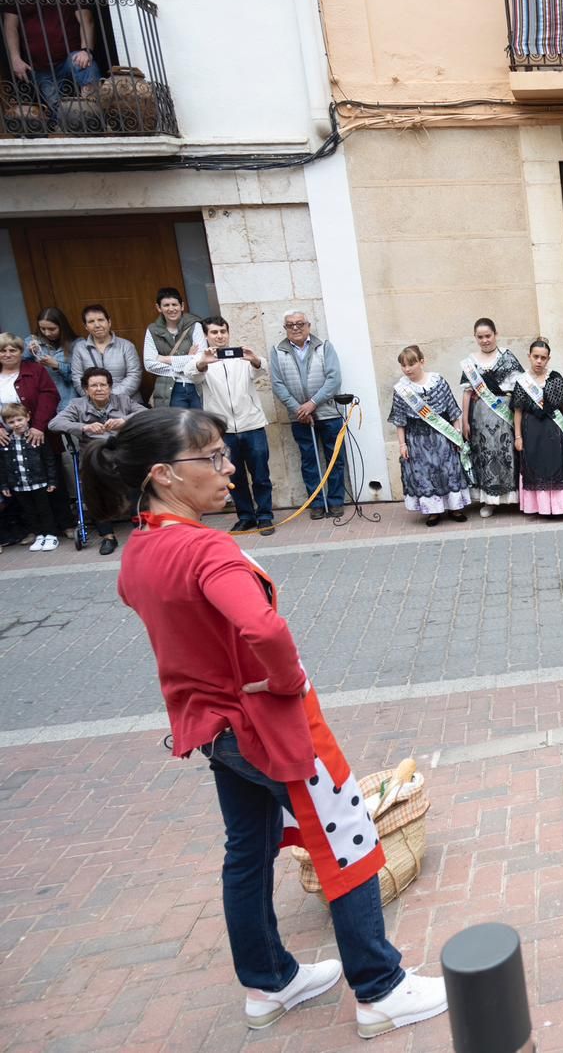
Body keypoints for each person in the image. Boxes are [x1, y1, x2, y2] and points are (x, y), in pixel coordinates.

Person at [82, 407, 447, 1038]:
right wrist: (286, 680)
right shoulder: (204, 546)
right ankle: (379, 988)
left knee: (247, 850)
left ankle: (269, 981)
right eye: (215, 457)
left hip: (211, 729)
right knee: (346, 835)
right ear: (166, 475)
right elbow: (261, 625)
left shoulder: (141, 547)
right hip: (267, 725)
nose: (230, 469)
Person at [189, 317, 274, 535]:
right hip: (223, 431)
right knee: (233, 477)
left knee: (260, 474)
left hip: (252, 425)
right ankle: (245, 517)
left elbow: (262, 367)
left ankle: (265, 516)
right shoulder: (202, 360)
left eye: (223, 332)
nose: (219, 336)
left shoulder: (242, 357)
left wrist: (253, 359)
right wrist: (202, 362)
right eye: (214, 332)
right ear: (207, 335)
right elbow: (192, 375)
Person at [49, 367, 145, 554]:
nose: (99, 389)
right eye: (94, 385)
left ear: (110, 387)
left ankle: (139, 528)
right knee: (92, 486)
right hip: (94, 457)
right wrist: (84, 427)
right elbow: (54, 424)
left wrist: (125, 420)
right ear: (86, 389)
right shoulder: (77, 405)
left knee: (136, 476)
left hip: (121, 452)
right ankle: (107, 536)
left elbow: (145, 413)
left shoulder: (123, 400)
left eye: (103, 385)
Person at [268, 310, 345, 520]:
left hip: (329, 413)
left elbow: (334, 379)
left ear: (308, 325)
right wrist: (298, 409)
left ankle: (336, 501)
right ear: (285, 328)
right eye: (290, 324)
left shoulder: (324, 347)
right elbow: (277, 384)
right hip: (298, 416)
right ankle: (317, 502)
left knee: (335, 459)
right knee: (309, 461)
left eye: (300, 323)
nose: (296, 328)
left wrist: (312, 404)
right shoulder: (277, 351)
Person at [390, 346, 470, 526]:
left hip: (442, 436)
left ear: (421, 362)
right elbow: (399, 421)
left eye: (411, 364)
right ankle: (433, 512)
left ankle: (455, 507)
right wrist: (402, 445)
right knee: (425, 475)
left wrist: (457, 436)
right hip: (417, 438)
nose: (407, 369)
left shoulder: (438, 382)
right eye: (403, 365)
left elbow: (452, 410)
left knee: (448, 470)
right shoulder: (402, 390)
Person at [1, 333, 61, 547]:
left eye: (12, 350)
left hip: (37, 431)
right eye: (3, 350)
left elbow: (50, 395)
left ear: (20, 351)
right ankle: (33, 531)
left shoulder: (34, 370)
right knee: (17, 485)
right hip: (6, 437)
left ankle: (59, 527)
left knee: (48, 481)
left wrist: (37, 425)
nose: (8, 354)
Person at [459, 318, 523, 519]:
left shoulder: (507, 358)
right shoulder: (470, 362)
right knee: (485, 453)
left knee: (507, 452)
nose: (485, 340)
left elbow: (519, 388)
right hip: (480, 415)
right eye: (480, 337)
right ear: (475, 338)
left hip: (504, 412)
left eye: (488, 336)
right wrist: (465, 422)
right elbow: (467, 393)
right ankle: (489, 500)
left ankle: (513, 498)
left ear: (496, 334)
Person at [511, 338, 563, 517]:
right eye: (536, 357)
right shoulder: (522, 381)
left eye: (543, 357)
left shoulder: (555, 378)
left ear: (548, 359)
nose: (539, 361)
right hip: (531, 430)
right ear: (529, 357)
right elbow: (517, 410)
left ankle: (560, 507)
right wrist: (518, 436)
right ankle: (539, 507)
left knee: (557, 464)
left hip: (554, 429)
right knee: (536, 465)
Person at [1, 0, 101, 117]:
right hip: (39, 66)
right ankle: (73, 128)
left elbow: (86, 19)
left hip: (70, 58)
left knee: (87, 67)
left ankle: (94, 115)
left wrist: (86, 50)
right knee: (59, 112)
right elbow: (10, 27)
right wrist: (15, 59)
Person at [0, 402, 60, 552]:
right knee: (29, 511)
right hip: (19, 484)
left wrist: (52, 480)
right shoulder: (6, 441)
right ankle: (39, 534)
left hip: (39, 482)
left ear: (27, 417)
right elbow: (2, 465)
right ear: (5, 423)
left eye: (19, 419)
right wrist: (4, 485)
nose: (16, 424)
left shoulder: (38, 437)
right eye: (11, 422)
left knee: (44, 509)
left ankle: (51, 534)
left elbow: (49, 460)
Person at [143, 287, 205, 410]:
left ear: (182, 306)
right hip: (169, 389)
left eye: (174, 304)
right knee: (176, 427)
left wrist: (164, 359)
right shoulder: (152, 330)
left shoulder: (195, 326)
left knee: (201, 426)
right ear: (158, 308)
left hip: (196, 386)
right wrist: (187, 360)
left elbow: (200, 358)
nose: (171, 309)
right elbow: (149, 364)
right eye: (166, 305)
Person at [70, 304, 143, 400]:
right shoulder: (79, 348)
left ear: (109, 322)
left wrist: (110, 396)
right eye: (91, 322)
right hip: (93, 403)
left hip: (127, 401)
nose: (97, 325)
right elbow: (77, 378)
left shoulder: (126, 346)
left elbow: (134, 375)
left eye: (101, 320)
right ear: (86, 326)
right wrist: (96, 397)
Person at [27, 307, 78, 403]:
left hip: (68, 399)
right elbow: (19, 369)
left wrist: (57, 365)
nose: (47, 333)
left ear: (62, 327)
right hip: (43, 400)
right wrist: (29, 353)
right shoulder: (32, 341)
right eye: (42, 329)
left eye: (52, 329)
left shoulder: (77, 344)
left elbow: (80, 375)